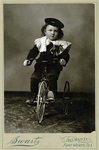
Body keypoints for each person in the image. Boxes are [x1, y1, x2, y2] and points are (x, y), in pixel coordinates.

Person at [23, 18, 72, 106]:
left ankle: (51, 94)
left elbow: (65, 54)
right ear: (45, 31)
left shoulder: (61, 44)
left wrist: (63, 60)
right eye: (50, 30)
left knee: (52, 76)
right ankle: (33, 97)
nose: (52, 33)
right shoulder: (41, 41)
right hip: (40, 65)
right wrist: (29, 59)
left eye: (55, 31)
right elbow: (34, 51)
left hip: (54, 65)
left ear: (59, 33)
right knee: (34, 78)